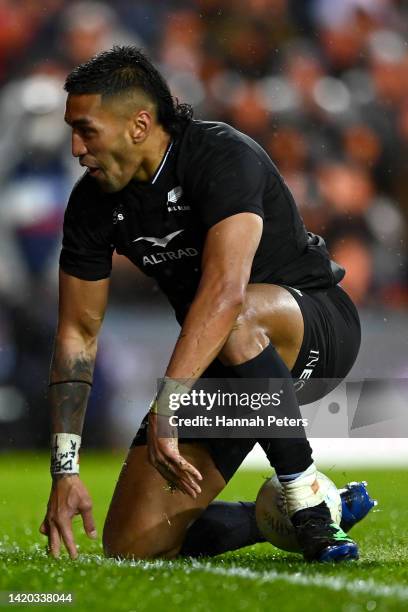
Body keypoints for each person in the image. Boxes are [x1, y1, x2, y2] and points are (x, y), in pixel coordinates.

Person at [40, 46, 364, 563]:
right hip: (221, 363)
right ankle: (278, 517)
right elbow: (78, 334)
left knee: (232, 317)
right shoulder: (91, 204)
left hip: (313, 330)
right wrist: (65, 468)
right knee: (133, 544)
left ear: (139, 124)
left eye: (86, 130)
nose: (76, 148)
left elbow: (225, 292)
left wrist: (169, 405)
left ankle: (306, 502)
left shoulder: (220, 154)